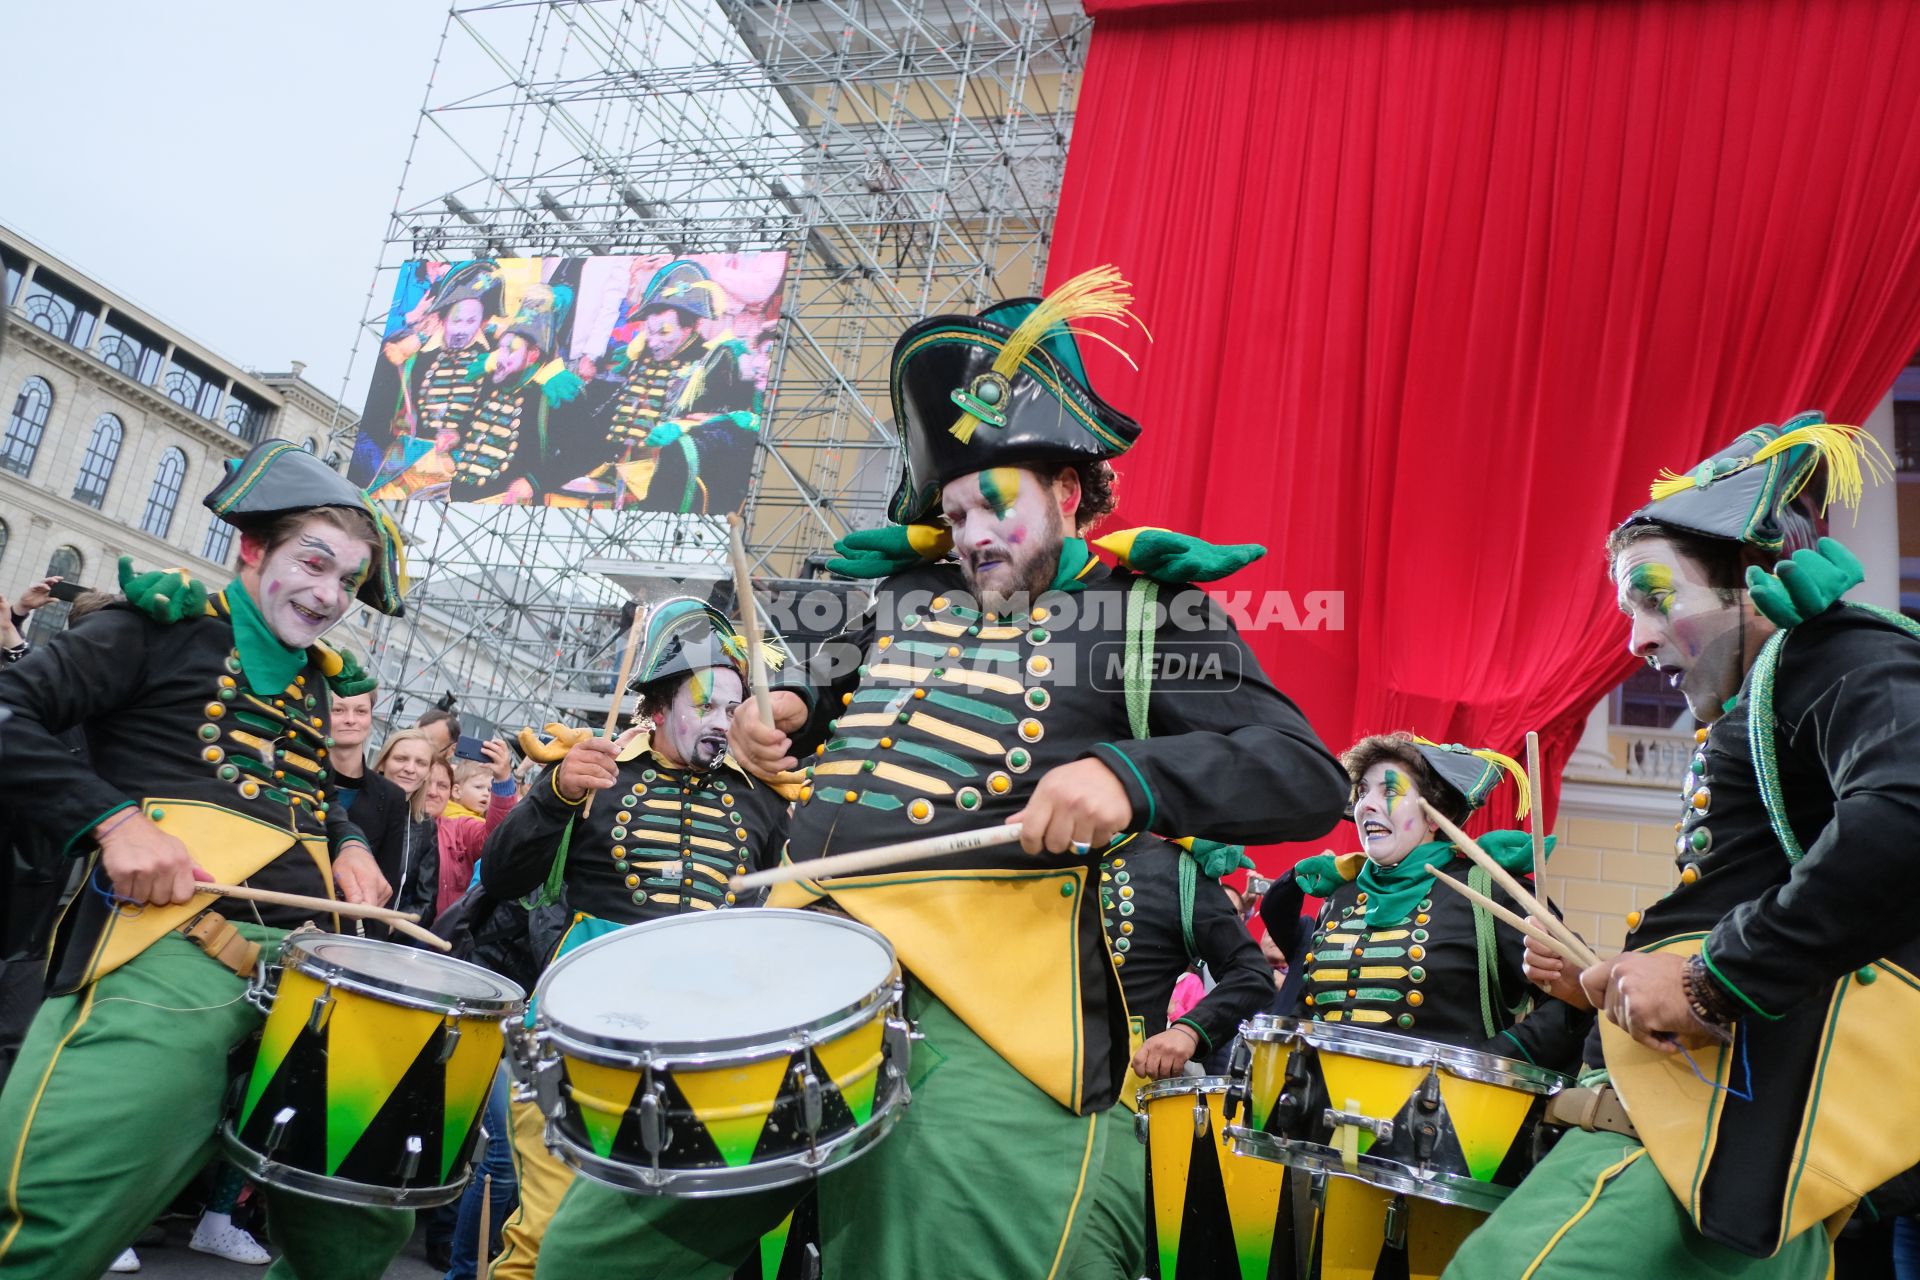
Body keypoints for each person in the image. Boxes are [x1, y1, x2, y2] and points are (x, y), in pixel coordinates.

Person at [531, 266, 1349, 1278]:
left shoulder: (1150, 611)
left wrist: (1128, 773)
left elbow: (1305, 772)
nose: (969, 535)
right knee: (590, 1258)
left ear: (1065, 488)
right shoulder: (897, 593)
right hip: (795, 965)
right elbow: (807, 690)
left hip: (981, 1013)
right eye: (953, 512)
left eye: (992, 503)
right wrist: (772, 711)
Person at [1446, 413, 1919, 1278]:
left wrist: (1711, 980)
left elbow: (1907, 812)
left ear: (1757, 578)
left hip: (1684, 1146)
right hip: (1720, 1159)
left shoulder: (1836, 654)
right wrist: (1622, 981)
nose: (1635, 639)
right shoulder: (1771, 695)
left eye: (1657, 598)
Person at [0, 438, 411, 1279]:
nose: (330, 595)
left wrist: (350, 845)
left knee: (359, 1229)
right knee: (47, 1228)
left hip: (303, 981)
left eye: (348, 583)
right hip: (165, 960)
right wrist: (113, 822)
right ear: (251, 549)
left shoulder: (313, 680)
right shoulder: (156, 628)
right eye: (314, 562)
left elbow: (296, 794)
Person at [475, 597, 793, 1280]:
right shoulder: (595, 770)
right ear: (656, 706)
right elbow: (502, 875)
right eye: (705, 704)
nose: (721, 722)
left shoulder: (764, 798)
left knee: (677, 1252)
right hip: (584, 1032)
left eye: (733, 709)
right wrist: (552, 794)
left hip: (707, 1047)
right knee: (543, 1238)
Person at [1261, 733, 1591, 1066]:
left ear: (1434, 815)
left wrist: (1484, 1064)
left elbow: (1575, 994)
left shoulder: (1489, 890)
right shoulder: (1343, 897)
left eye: (1389, 790)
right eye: (1362, 792)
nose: (1366, 805)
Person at [1069, 836, 1280, 1280]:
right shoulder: (1017, 849)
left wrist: (1189, 1030)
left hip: (1111, 1102)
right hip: (1002, 1092)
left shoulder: (1175, 869)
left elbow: (1250, 972)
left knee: (1086, 1260)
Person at [577, 259, 760, 512]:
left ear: (692, 326)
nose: (652, 342)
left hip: (667, 487)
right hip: (614, 476)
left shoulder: (714, 363)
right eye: (649, 332)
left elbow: (734, 427)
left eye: (663, 333)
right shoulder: (638, 356)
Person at [445, 285, 581, 503]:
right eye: (501, 347)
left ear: (533, 354)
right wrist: (453, 434)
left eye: (511, 350)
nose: (500, 357)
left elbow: (587, 453)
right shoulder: (492, 379)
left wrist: (535, 481)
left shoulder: (553, 394)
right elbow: (472, 426)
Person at [327, 692, 411, 893]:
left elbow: (386, 878)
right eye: (338, 710)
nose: (350, 720)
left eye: (361, 711)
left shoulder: (392, 796)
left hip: (349, 917)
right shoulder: (298, 778)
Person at [371, 726, 443, 925]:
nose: (410, 769)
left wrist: (393, 926)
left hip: (381, 941)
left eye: (421, 763)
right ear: (383, 763)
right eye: (401, 759)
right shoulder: (355, 806)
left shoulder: (425, 826)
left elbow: (426, 903)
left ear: (428, 773)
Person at [436, 747, 518, 916]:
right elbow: (495, 834)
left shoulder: (454, 818)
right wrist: (502, 785)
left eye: (490, 789)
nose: (486, 794)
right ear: (456, 791)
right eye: (479, 787)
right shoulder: (463, 823)